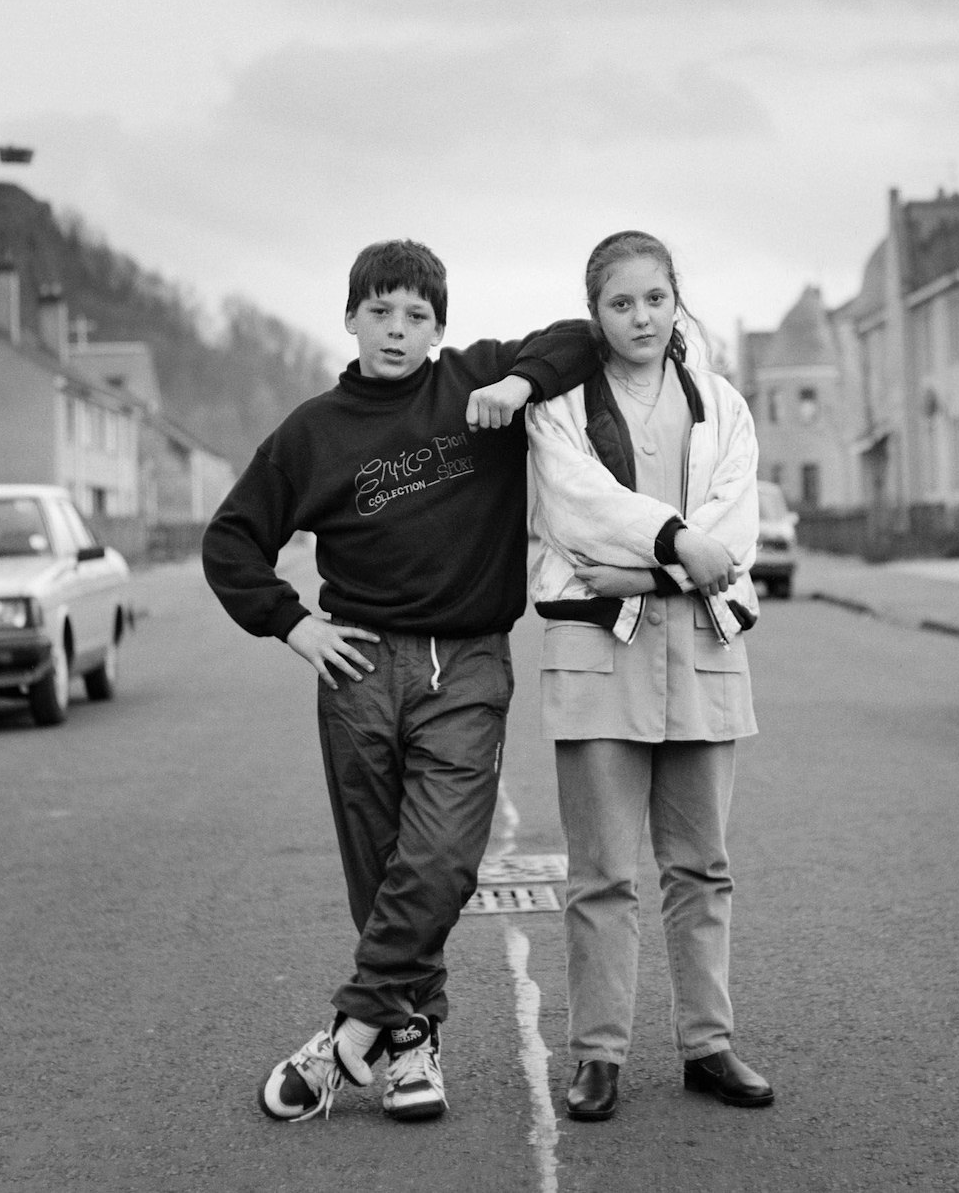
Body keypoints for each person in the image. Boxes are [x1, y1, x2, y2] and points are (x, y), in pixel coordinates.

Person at [203, 239, 598, 1124]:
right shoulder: (313, 432)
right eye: (379, 311)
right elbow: (231, 540)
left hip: (465, 660)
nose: (397, 329)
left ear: (439, 326)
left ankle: (348, 1033)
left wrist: (521, 384)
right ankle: (413, 1046)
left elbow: (579, 336)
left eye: (416, 315)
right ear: (349, 318)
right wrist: (294, 622)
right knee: (381, 870)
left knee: (442, 857)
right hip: (360, 665)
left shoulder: (472, 383)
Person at [524, 229, 774, 1122]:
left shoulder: (723, 404)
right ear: (596, 312)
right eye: (621, 302)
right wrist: (675, 547)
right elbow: (577, 513)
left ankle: (709, 1045)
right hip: (602, 658)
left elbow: (733, 538)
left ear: (677, 301)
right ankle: (598, 1056)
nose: (640, 316)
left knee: (702, 867)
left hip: (703, 654)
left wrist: (650, 570)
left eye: (654, 299)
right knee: (601, 873)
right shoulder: (559, 408)